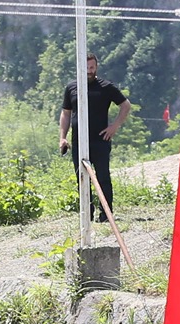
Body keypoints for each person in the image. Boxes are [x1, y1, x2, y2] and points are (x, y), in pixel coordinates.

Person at [60, 56, 129, 222]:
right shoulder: (72, 87)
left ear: (96, 67)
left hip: (100, 140)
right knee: (82, 178)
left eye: (92, 67)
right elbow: (66, 113)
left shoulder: (106, 86)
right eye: (87, 68)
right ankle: (87, 215)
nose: (90, 71)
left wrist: (114, 126)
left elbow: (125, 105)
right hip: (79, 141)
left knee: (103, 177)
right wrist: (62, 137)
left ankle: (106, 215)